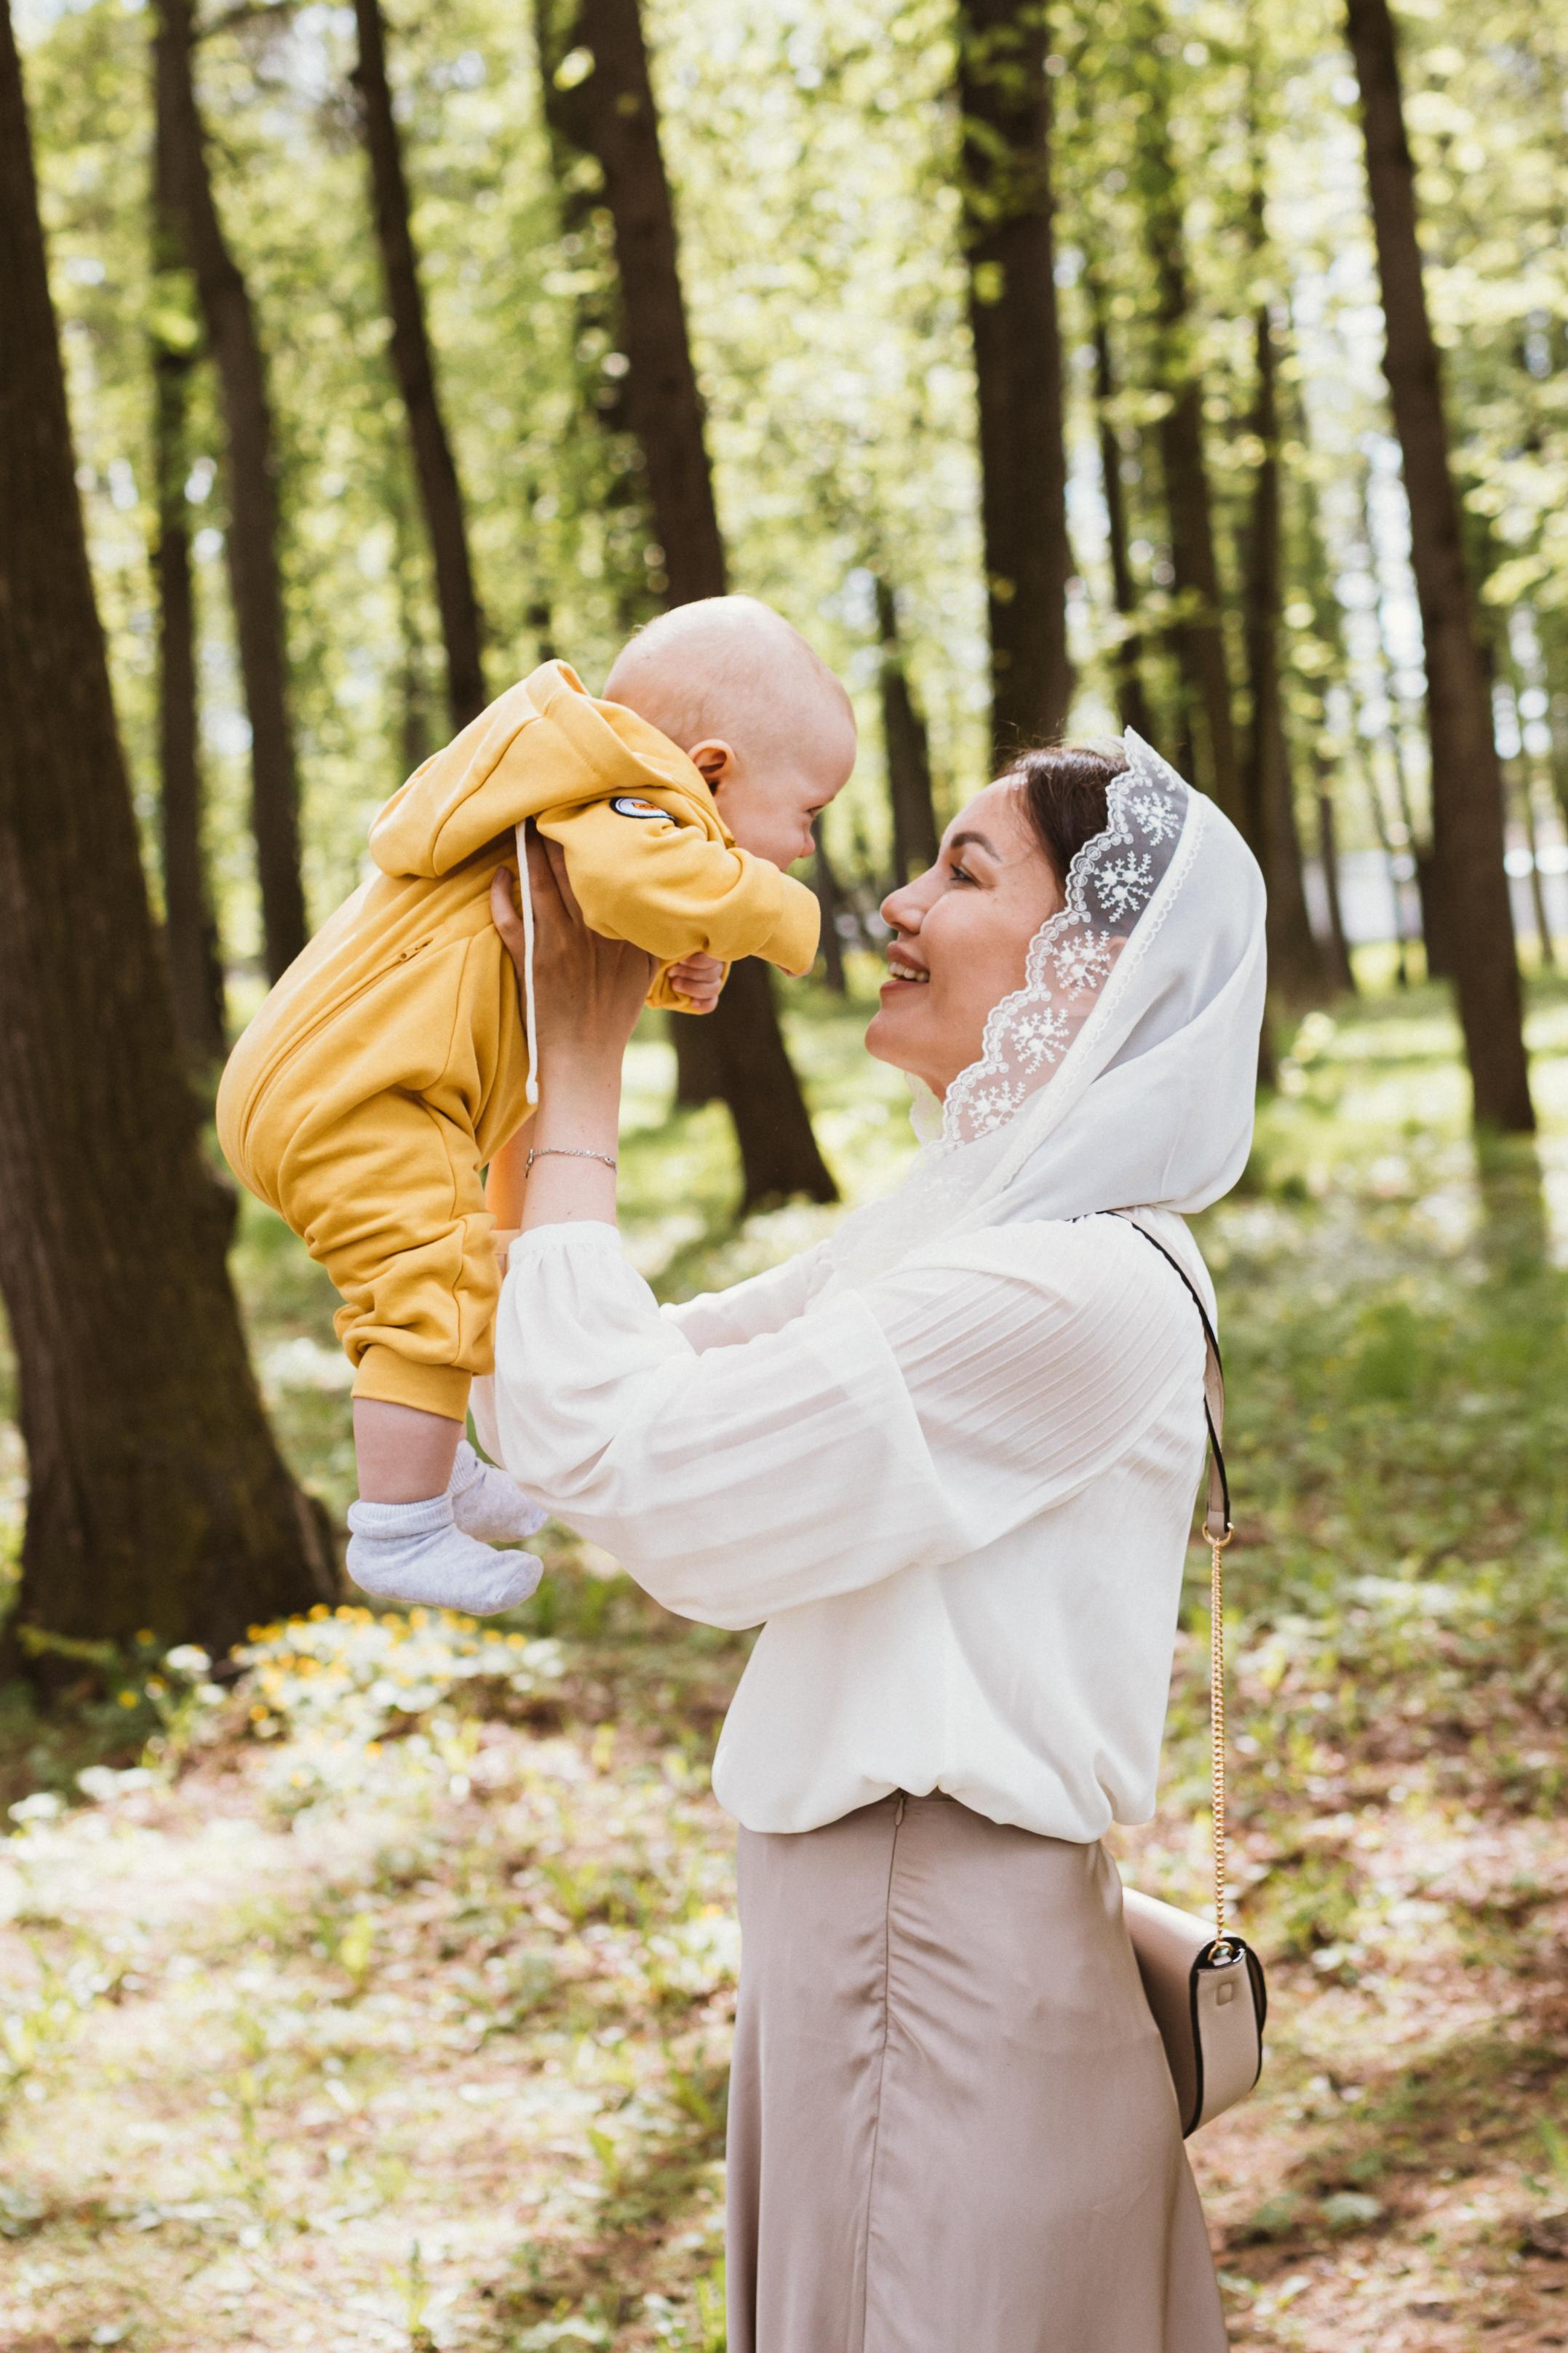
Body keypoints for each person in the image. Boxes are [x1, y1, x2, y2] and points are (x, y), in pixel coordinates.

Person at [477, 729, 1266, 2352]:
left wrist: (586, 1076)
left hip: (928, 1956)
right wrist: (508, 1048)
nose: (891, 905)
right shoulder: (955, 1239)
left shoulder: (1064, 1289)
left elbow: (649, 1484)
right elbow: (552, 1408)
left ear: (1097, 968)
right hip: (895, 1951)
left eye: (965, 872)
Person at [215, 595, 856, 1616]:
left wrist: (666, 970)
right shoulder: (635, 804)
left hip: (336, 1079)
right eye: (809, 813)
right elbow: (625, 879)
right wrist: (787, 918)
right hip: (358, 1090)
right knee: (428, 1285)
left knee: (446, 1268)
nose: (807, 848)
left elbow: (546, 949)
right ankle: (400, 1526)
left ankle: (440, 1465)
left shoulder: (582, 796)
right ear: (715, 770)